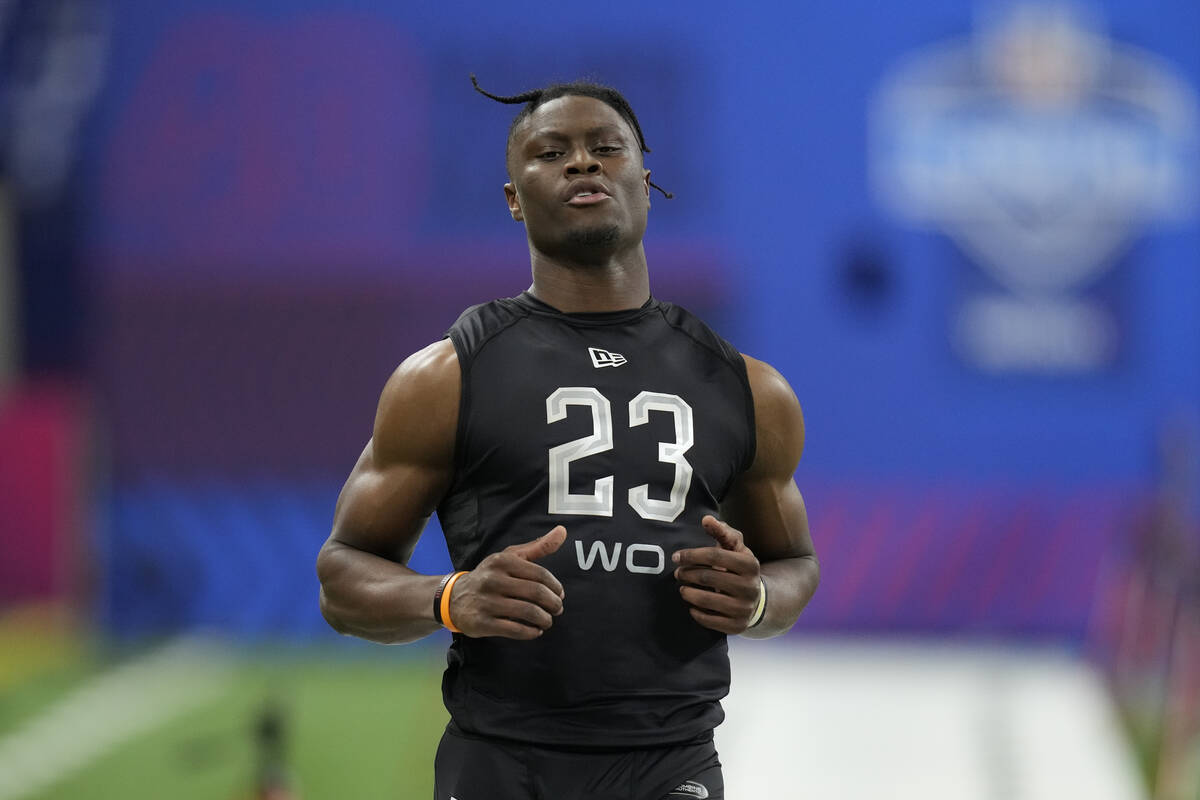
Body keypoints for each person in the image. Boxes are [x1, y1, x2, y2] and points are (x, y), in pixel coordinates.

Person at [316, 75, 820, 800]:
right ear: (514, 199)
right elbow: (343, 574)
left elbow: (795, 564)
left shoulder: (749, 389)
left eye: (605, 148)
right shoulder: (447, 376)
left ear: (645, 182)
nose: (582, 164)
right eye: (552, 153)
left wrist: (760, 600)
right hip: (502, 760)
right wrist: (449, 597)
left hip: (672, 764)